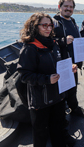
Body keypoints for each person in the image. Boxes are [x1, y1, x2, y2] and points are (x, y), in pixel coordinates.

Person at [17, 12, 77, 147]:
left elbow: (57, 63)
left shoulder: (53, 44)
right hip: (41, 101)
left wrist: (69, 68)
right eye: (44, 25)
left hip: (58, 96)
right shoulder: (29, 48)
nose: (48, 28)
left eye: (50, 25)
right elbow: (24, 76)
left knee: (58, 129)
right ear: (34, 26)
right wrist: (47, 79)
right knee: (40, 134)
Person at [53, 0, 84, 118]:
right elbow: (48, 42)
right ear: (60, 7)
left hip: (73, 62)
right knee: (61, 88)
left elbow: (78, 41)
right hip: (60, 62)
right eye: (66, 6)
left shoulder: (73, 21)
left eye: (71, 7)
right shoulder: (54, 22)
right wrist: (63, 40)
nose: (68, 9)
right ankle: (61, 111)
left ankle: (74, 107)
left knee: (73, 86)